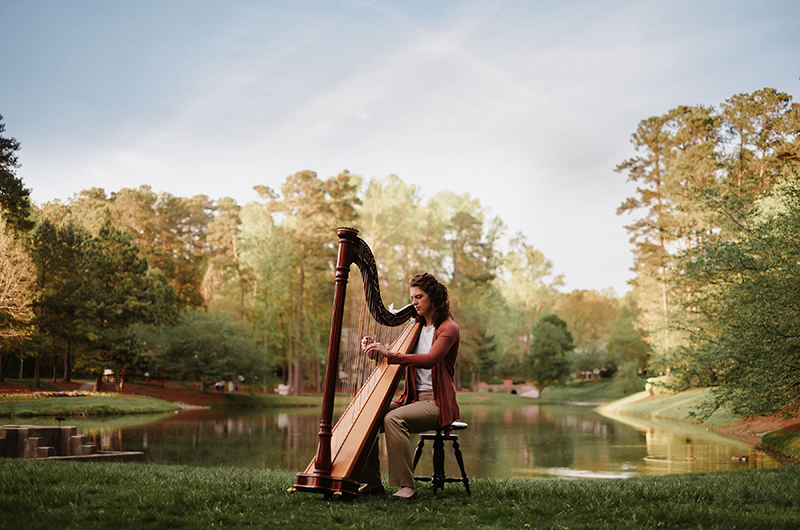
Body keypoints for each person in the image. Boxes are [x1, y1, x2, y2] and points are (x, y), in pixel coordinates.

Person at [358, 272, 461, 500]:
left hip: (436, 403)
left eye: (418, 297)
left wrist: (391, 355)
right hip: (411, 401)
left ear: (433, 298)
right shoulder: (414, 328)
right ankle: (373, 482)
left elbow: (430, 359)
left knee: (392, 419)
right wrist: (375, 350)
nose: (413, 302)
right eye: (412, 297)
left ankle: (407, 486)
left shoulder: (448, 329)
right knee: (370, 414)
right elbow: (392, 357)